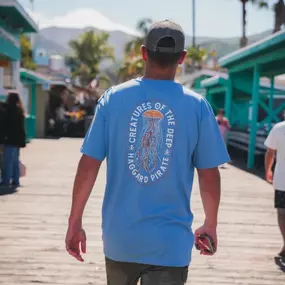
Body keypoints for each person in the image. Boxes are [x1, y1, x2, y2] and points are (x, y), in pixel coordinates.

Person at [65, 20, 230, 285]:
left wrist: (75, 221)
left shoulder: (113, 99)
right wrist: (210, 223)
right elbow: (208, 173)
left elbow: (88, 164)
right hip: (171, 242)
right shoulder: (197, 106)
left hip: (121, 239)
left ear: (144, 53)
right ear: (182, 58)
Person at [264, 111, 285, 259]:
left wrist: (268, 170)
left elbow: (270, 152)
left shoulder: (278, 128)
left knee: (282, 214)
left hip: (282, 180)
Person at [1, 91, 26, 187]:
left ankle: (6, 181)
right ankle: (16, 180)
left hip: (9, 139)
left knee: (7, 162)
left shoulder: (7, 110)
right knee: (15, 161)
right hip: (17, 141)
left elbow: (4, 126)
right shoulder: (19, 110)